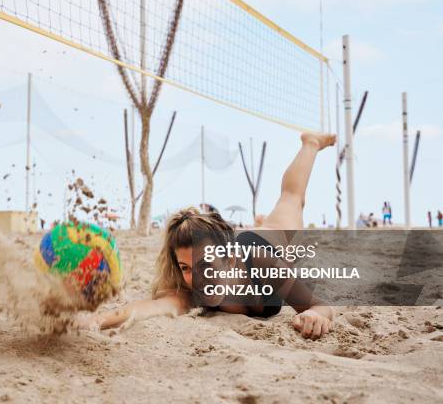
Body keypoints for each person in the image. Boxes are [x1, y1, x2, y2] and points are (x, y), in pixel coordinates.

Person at [78, 132, 336, 339]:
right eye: (186, 267)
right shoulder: (192, 288)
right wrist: (96, 320)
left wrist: (315, 316)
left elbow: (319, 305)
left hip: (266, 242)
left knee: (292, 199)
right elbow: (149, 307)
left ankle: (310, 143)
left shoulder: (264, 264)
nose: (197, 277)